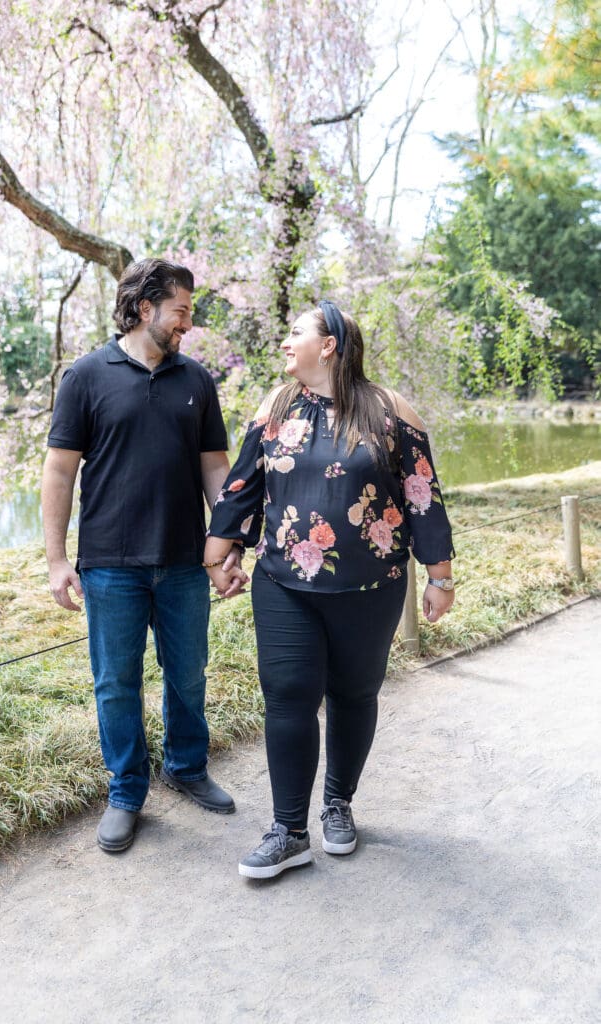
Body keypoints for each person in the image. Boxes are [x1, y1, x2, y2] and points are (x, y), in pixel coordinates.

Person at [204, 300, 455, 879]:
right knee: (288, 694)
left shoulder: (390, 411)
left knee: (354, 693)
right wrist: (221, 552)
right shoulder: (276, 407)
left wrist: (438, 574)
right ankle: (288, 830)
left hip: (371, 586)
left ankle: (338, 805)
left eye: (296, 334)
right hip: (284, 583)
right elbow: (243, 484)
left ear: (330, 345)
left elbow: (422, 494)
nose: (285, 343)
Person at [41, 258, 246, 854]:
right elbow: (59, 470)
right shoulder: (85, 376)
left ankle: (186, 766)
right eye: (181, 309)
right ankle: (127, 791)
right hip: (109, 563)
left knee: (188, 672)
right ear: (144, 307)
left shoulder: (196, 381)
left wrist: (225, 545)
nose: (188, 321)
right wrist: (57, 560)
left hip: (185, 559)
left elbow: (215, 466)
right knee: (115, 684)